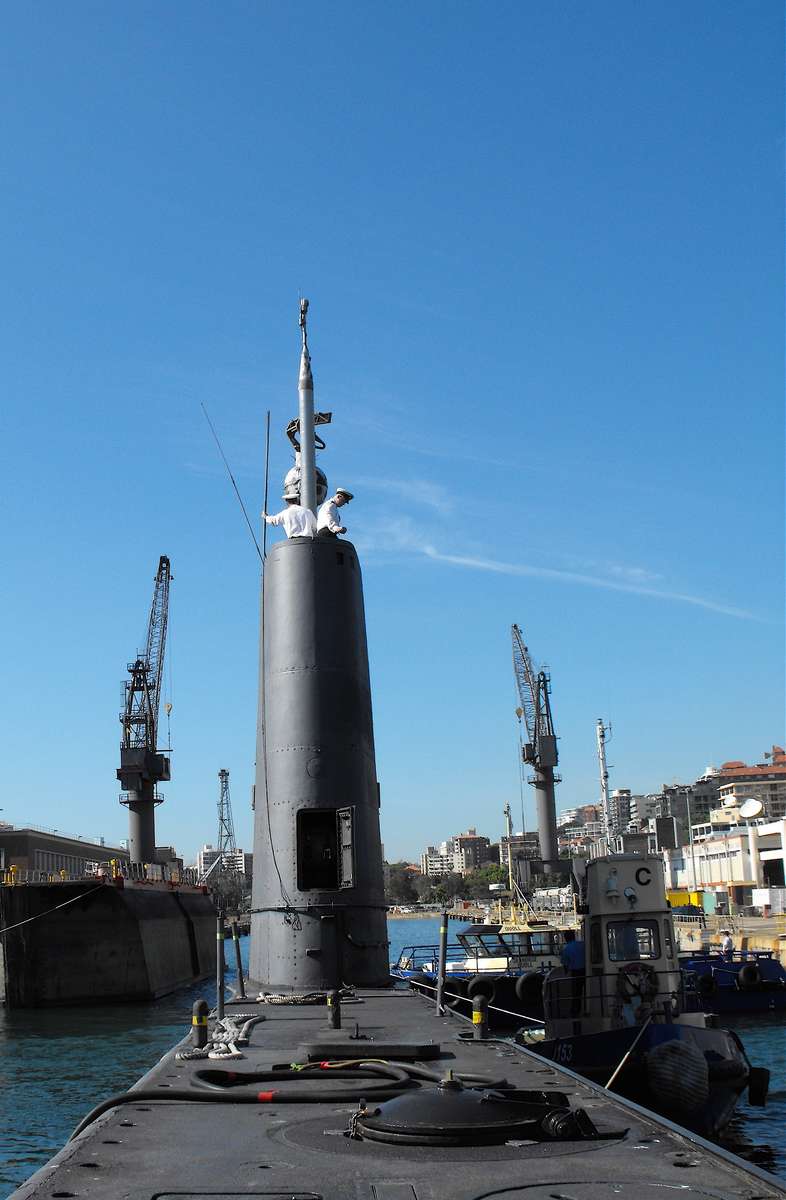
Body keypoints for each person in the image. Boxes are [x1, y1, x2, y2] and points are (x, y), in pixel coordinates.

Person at [560, 929, 585, 1016]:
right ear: (574, 937)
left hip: (576, 973)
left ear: (566, 939)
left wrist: (566, 973)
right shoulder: (582, 944)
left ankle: (576, 1011)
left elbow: (565, 965)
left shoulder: (566, 949)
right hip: (586, 971)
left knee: (576, 993)